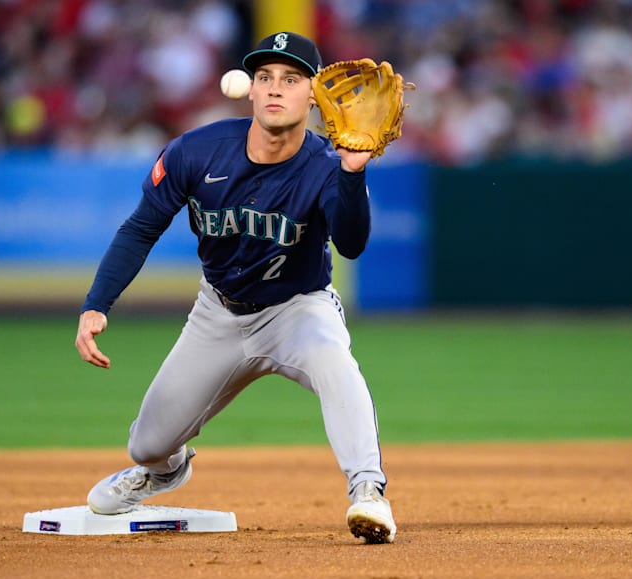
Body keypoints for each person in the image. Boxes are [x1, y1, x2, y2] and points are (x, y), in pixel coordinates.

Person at [74, 32, 396, 543]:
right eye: (265, 77)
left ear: (315, 95)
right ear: (249, 89)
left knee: (335, 362)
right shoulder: (197, 152)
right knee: (146, 444)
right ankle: (164, 471)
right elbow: (140, 228)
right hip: (217, 314)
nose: (275, 89)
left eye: (291, 80)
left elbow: (352, 245)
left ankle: (368, 491)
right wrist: (97, 305)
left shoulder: (325, 166)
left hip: (298, 310)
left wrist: (353, 173)